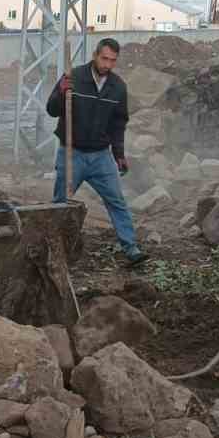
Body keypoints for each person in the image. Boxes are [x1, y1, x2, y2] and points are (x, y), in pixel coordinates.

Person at [46, 37, 147, 266]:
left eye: (113, 61)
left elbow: (118, 124)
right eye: (104, 59)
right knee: (60, 203)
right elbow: (51, 110)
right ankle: (53, 249)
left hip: (101, 157)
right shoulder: (74, 77)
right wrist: (61, 93)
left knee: (117, 201)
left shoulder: (118, 87)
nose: (108, 65)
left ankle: (131, 247)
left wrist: (119, 154)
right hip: (72, 153)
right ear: (95, 55)